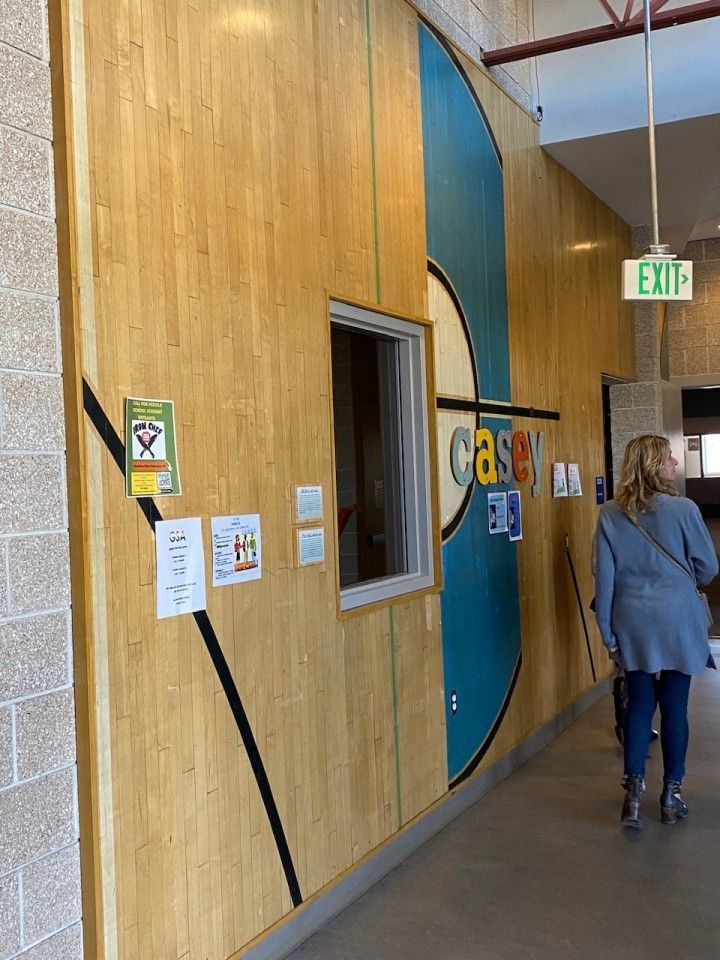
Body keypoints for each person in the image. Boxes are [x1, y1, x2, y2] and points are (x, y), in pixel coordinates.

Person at [593, 434, 718, 829]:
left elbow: (604, 578)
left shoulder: (611, 513)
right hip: (677, 617)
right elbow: (708, 567)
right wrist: (679, 581)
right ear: (654, 465)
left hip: (632, 620)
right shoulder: (683, 510)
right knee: (676, 705)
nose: (675, 466)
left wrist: (606, 629)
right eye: (669, 459)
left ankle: (632, 792)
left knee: (640, 702)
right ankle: (671, 794)